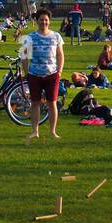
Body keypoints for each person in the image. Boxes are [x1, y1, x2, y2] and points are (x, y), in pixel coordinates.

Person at [20, 8, 65, 140]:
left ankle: (52, 131)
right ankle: (35, 131)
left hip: (52, 74)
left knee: (52, 103)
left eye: (46, 20)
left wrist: (60, 71)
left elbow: (60, 54)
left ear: (49, 22)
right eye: (41, 20)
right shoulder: (29, 37)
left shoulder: (56, 36)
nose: (43, 22)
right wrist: (27, 72)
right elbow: (24, 56)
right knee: (35, 103)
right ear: (37, 20)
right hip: (34, 74)